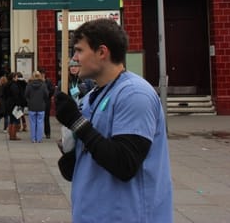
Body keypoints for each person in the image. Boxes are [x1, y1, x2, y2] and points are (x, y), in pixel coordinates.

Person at [54, 18, 172, 222]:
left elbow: (124, 163)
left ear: (102, 52)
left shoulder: (134, 95)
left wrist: (76, 122)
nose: (74, 58)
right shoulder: (93, 95)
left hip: (127, 215)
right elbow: (96, 149)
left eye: (80, 51)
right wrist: (72, 156)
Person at [24, 71, 48, 143]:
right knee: (40, 123)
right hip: (41, 106)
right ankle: (39, 139)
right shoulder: (43, 85)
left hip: (32, 106)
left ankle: (33, 139)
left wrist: (29, 101)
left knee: (32, 123)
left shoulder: (29, 85)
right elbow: (46, 95)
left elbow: (26, 95)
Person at [3, 72, 25, 140]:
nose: (17, 78)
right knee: (15, 120)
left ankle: (11, 134)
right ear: (13, 78)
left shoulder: (7, 84)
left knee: (11, 120)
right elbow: (16, 95)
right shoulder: (14, 85)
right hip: (14, 104)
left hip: (8, 103)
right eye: (16, 77)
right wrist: (18, 104)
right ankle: (13, 135)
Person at [38, 68, 54, 139]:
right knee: (39, 118)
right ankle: (39, 133)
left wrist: (48, 95)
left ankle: (47, 133)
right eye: (41, 74)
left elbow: (52, 90)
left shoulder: (48, 81)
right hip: (39, 101)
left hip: (46, 102)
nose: (42, 75)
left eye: (43, 74)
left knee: (46, 118)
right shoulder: (37, 81)